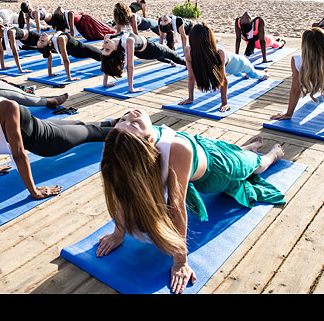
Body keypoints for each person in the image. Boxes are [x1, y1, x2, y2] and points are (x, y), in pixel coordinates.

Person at [96, 108, 286, 294]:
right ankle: (271, 156)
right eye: (132, 123)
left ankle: (252, 151)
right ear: (150, 141)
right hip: (217, 173)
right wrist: (180, 262)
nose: (131, 115)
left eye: (123, 119)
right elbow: (125, 193)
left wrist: (180, 261)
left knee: (242, 159)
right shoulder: (119, 149)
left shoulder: (138, 143)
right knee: (257, 165)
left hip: (208, 155)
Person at [0, 75, 114, 199]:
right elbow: (18, 154)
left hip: (43, 127)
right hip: (50, 140)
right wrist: (35, 192)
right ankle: (129, 131)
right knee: (92, 133)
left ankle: (116, 121)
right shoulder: (6, 107)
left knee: (80, 124)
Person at [180, 23, 268, 112]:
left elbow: (223, 80)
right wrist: (190, 98)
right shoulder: (188, 51)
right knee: (239, 75)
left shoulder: (219, 53)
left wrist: (224, 103)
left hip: (238, 63)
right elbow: (191, 76)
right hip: (228, 68)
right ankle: (245, 75)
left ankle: (265, 75)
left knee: (254, 74)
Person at [100, 31, 186, 93]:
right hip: (148, 51)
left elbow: (105, 62)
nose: (104, 46)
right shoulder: (129, 41)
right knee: (172, 55)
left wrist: (105, 84)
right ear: (115, 49)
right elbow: (130, 67)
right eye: (107, 49)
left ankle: (171, 62)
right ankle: (189, 64)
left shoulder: (107, 37)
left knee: (162, 56)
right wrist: (131, 89)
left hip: (143, 47)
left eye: (103, 49)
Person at [37, 31, 102, 81]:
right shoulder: (60, 39)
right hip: (82, 51)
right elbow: (65, 60)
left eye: (39, 40)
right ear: (48, 44)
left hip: (82, 48)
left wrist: (50, 74)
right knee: (103, 57)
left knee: (103, 56)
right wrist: (69, 78)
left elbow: (49, 57)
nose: (41, 38)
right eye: (42, 41)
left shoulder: (52, 39)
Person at [48, 7, 115, 41]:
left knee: (100, 32)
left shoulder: (69, 14)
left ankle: (114, 33)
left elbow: (72, 29)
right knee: (92, 37)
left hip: (86, 21)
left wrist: (72, 40)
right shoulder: (63, 19)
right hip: (80, 25)